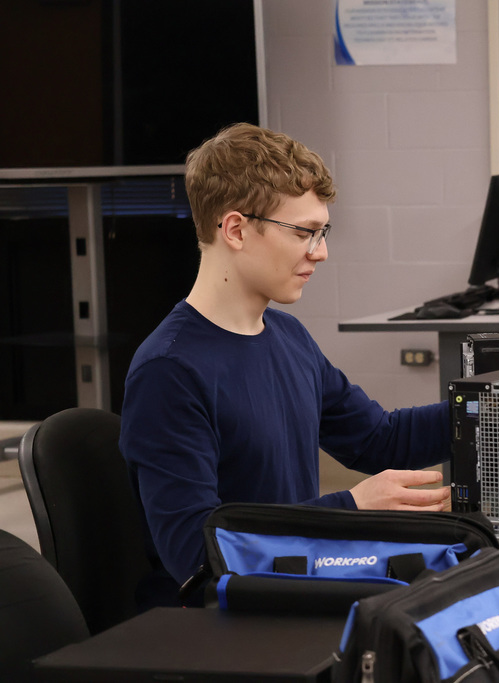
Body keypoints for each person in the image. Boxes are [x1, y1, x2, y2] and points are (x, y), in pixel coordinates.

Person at [120, 123, 450, 608]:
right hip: (218, 622)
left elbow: (380, 439)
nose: (321, 251)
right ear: (235, 229)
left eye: (322, 231)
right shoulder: (169, 371)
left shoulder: (287, 336)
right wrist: (350, 507)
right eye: (304, 232)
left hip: (293, 587)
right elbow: (195, 555)